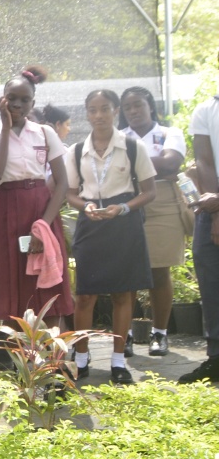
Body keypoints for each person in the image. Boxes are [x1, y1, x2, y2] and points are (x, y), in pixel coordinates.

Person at [65, 89, 156, 385]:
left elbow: (149, 191)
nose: (99, 115)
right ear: (87, 114)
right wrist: (86, 205)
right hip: (91, 224)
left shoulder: (132, 146)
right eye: (93, 110)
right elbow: (70, 194)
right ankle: (81, 358)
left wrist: (124, 208)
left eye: (105, 109)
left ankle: (118, 361)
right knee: (86, 295)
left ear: (115, 111)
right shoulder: (77, 150)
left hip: (123, 223)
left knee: (122, 293)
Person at [0, 66, 74, 326]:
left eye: (24, 99)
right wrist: (6, 128)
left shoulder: (45, 133)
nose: (17, 104)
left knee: (48, 288)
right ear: (2, 98)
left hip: (41, 211)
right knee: (9, 288)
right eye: (12, 98)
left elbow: (62, 182)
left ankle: (52, 362)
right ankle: (20, 362)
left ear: (33, 103)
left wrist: (43, 226)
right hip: (5, 212)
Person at [119, 86, 191, 357]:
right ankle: (123, 335)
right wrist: (154, 163)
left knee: (159, 271)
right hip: (125, 202)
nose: (134, 111)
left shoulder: (169, 133)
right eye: (128, 107)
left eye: (138, 104)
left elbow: (171, 163)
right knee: (126, 274)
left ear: (149, 105)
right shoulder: (117, 136)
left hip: (161, 203)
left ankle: (159, 334)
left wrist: (128, 164)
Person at [182, 63, 219, 383]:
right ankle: (216, 358)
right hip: (213, 209)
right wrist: (217, 213)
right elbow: (204, 161)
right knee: (211, 282)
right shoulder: (207, 110)